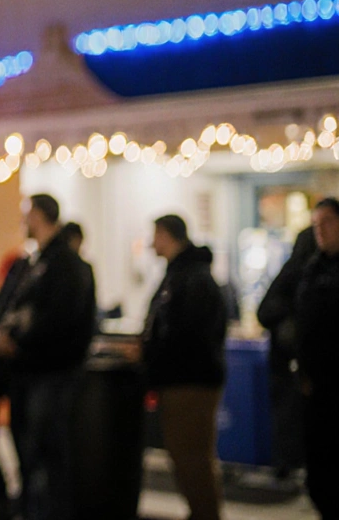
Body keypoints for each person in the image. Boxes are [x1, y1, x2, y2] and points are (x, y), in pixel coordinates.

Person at [0, 194, 96, 520]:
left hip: (50, 373)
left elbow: (60, 321)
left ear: (38, 216)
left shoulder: (63, 264)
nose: (23, 221)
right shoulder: (36, 262)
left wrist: (20, 342)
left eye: (27, 215)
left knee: (45, 454)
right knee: (30, 452)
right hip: (31, 372)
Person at [142, 215, 226, 520]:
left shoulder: (191, 278)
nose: (152, 242)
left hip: (190, 382)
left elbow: (188, 333)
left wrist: (154, 353)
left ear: (167, 235)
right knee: (187, 459)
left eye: (155, 235)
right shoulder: (182, 275)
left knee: (193, 460)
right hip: (181, 379)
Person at [256, 225, 314, 481]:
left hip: (293, 365)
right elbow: (265, 312)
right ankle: (288, 467)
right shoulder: (298, 273)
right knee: (290, 419)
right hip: (289, 364)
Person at [295, 197, 339, 519]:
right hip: (317, 387)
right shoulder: (312, 268)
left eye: (326, 223)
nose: (320, 231)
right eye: (315, 225)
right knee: (320, 472)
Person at [0, 246, 31, 520]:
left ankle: (12, 499)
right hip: (9, 371)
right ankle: (10, 499)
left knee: (21, 438)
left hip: (14, 371)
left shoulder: (22, 280)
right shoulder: (19, 279)